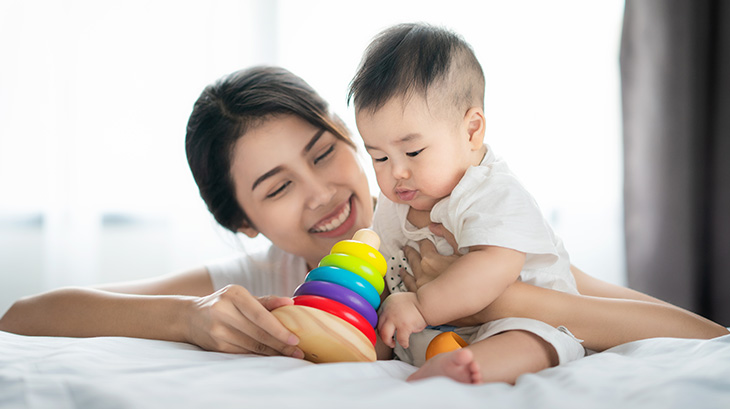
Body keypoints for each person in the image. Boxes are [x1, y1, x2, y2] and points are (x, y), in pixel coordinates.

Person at [0, 66, 724, 378]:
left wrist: (506, 300)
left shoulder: (437, 220)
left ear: (351, 137)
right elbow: (25, 316)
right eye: (278, 186)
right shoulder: (270, 277)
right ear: (245, 222)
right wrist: (189, 318)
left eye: (325, 151)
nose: (323, 193)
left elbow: (630, 315)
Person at [348, 23, 728, 384]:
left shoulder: (489, 190)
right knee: (397, 338)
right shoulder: (394, 205)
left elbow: (496, 264)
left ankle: (473, 368)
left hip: (526, 315)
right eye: (379, 157)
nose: (395, 172)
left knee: (531, 342)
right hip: (438, 328)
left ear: (471, 130)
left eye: (413, 151)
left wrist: (421, 306)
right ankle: (442, 360)